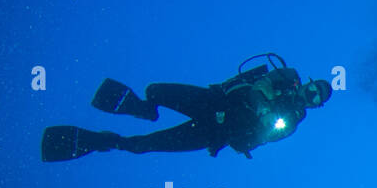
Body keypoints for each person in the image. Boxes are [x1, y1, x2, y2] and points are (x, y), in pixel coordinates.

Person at [41, 54, 332, 162]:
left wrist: (265, 127)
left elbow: (269, 136)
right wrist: (265, 110)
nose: (312, 94)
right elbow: (259, 87)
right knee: (154, 90)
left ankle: (101, 140)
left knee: (142, 146)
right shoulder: (288, 76)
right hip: (214, 102)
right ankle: (143, 110)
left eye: (317, 97)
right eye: (314, 87)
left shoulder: (295, 120)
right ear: (307, 82)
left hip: (214, 132)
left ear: (316, 106)